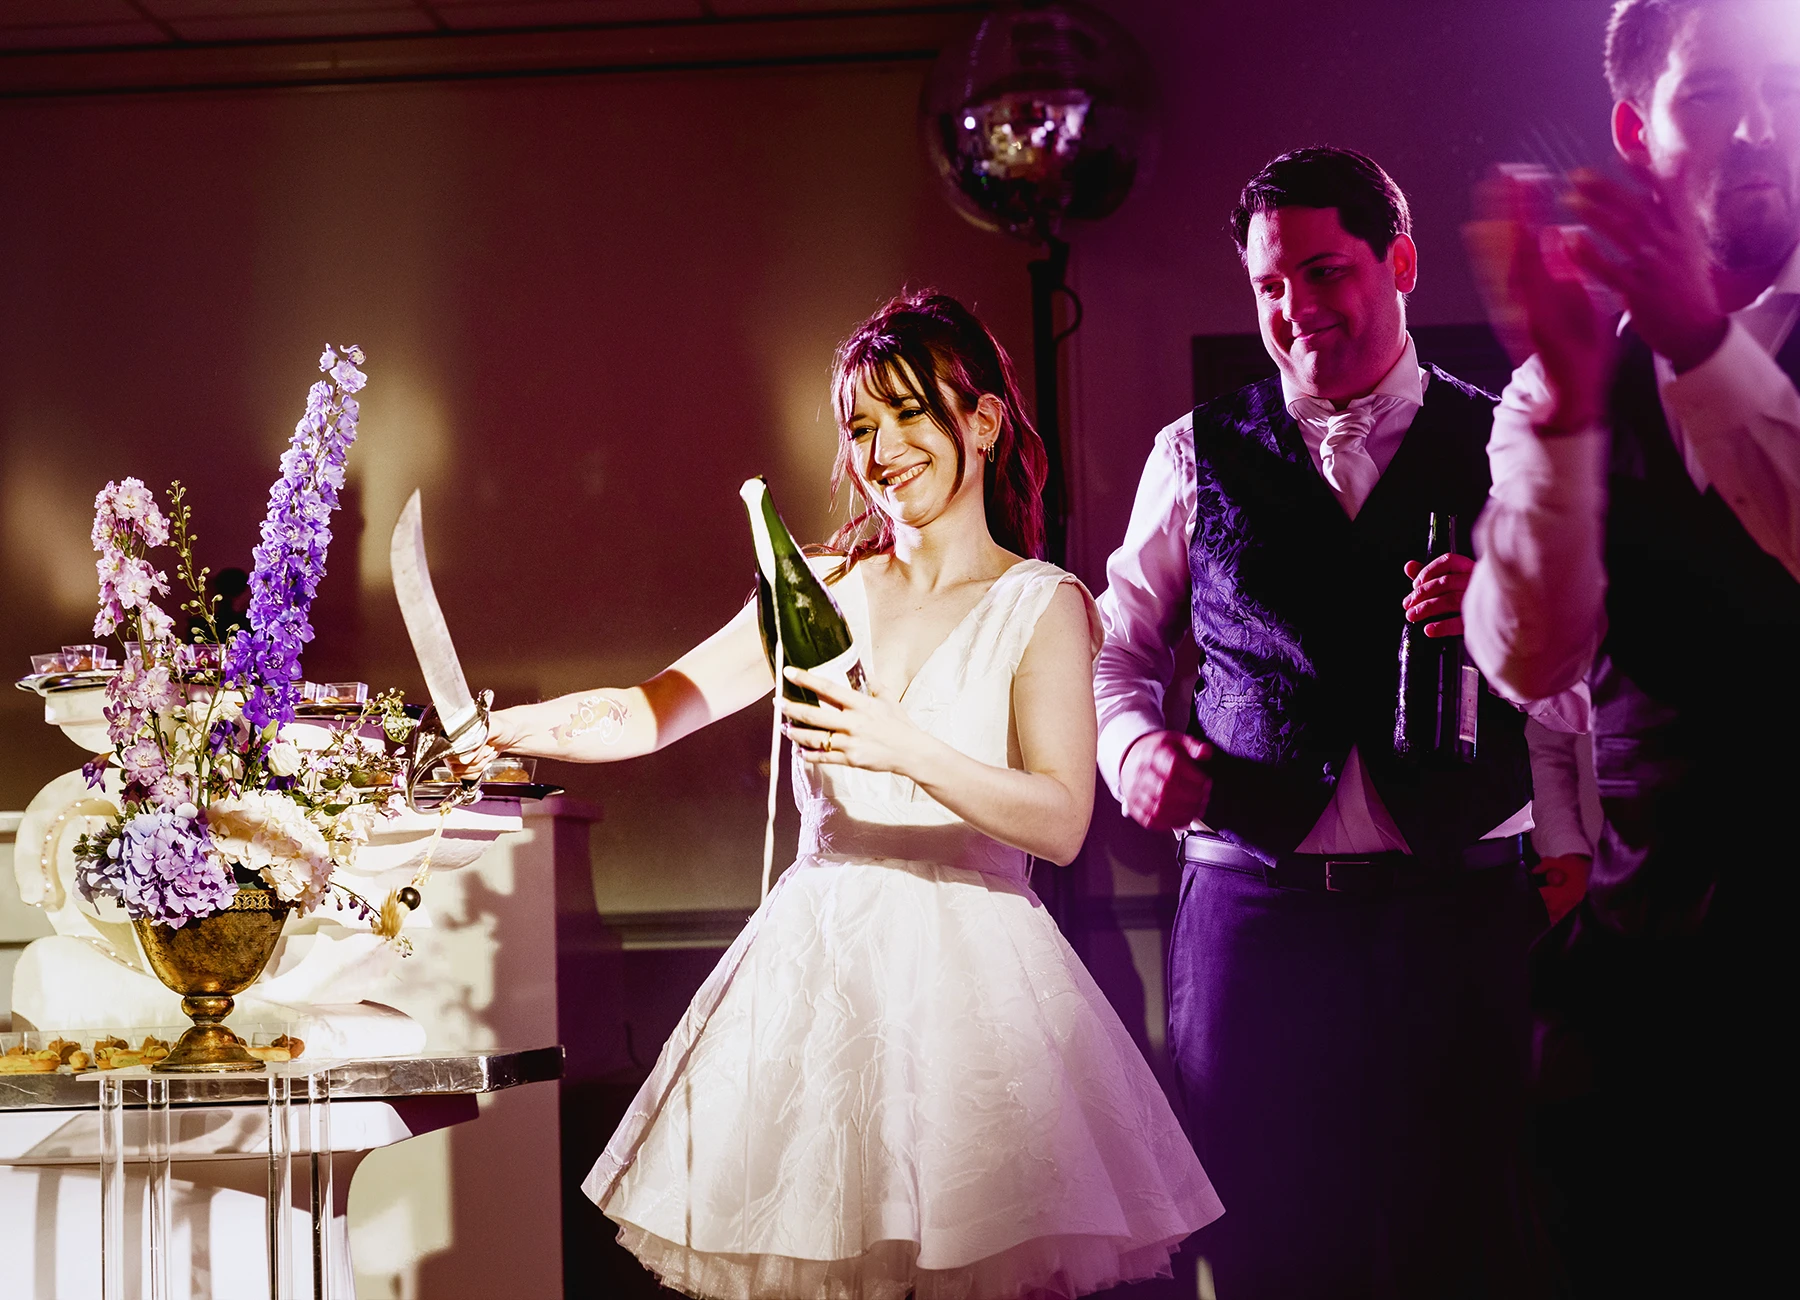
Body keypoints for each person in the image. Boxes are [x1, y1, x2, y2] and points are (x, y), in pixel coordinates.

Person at [469, 291, 1223, 1299]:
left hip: (979, 982)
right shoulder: (820, 585)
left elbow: (1061, 818)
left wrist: (901, 745)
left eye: (908, 413)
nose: (881, 449)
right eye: (860, 426)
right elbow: (653, 710)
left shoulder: (1040, 601)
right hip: (818, 971)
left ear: (983, 422)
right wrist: (507, 728)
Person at [1095, 147, 1582, 1298]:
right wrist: (1133, 747)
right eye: (1270, 285)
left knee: (1464, 1247)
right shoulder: (1192, 452)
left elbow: (1590, 672)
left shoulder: (1511, 444)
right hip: (1253, 918)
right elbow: (1117, 649)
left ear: (1399, 262)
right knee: (1265, 1249)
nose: (1296, 307)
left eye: (1324, 271)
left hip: (1459, 911)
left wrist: (1511, 610)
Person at [1462, 1, 1800, 1292]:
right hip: (1641, 997)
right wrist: (1565, 416)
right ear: (1635, 130)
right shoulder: (1565, 377)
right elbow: (1529, 660)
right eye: (1711, 93)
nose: (1760, 126)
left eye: (1786, 88)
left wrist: (1703, 348)